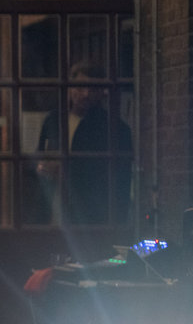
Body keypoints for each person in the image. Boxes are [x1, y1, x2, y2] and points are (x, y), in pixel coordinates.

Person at [35, 62, 133, 225]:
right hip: (53, 207)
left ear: (102, 92)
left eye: (92, 89)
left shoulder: (114, 128)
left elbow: (119, 180)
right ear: (70, 89)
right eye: (80, 88)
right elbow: (39, 155)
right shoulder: (53, 120)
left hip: (91, 215)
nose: (86, 94)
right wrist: (41, 166)